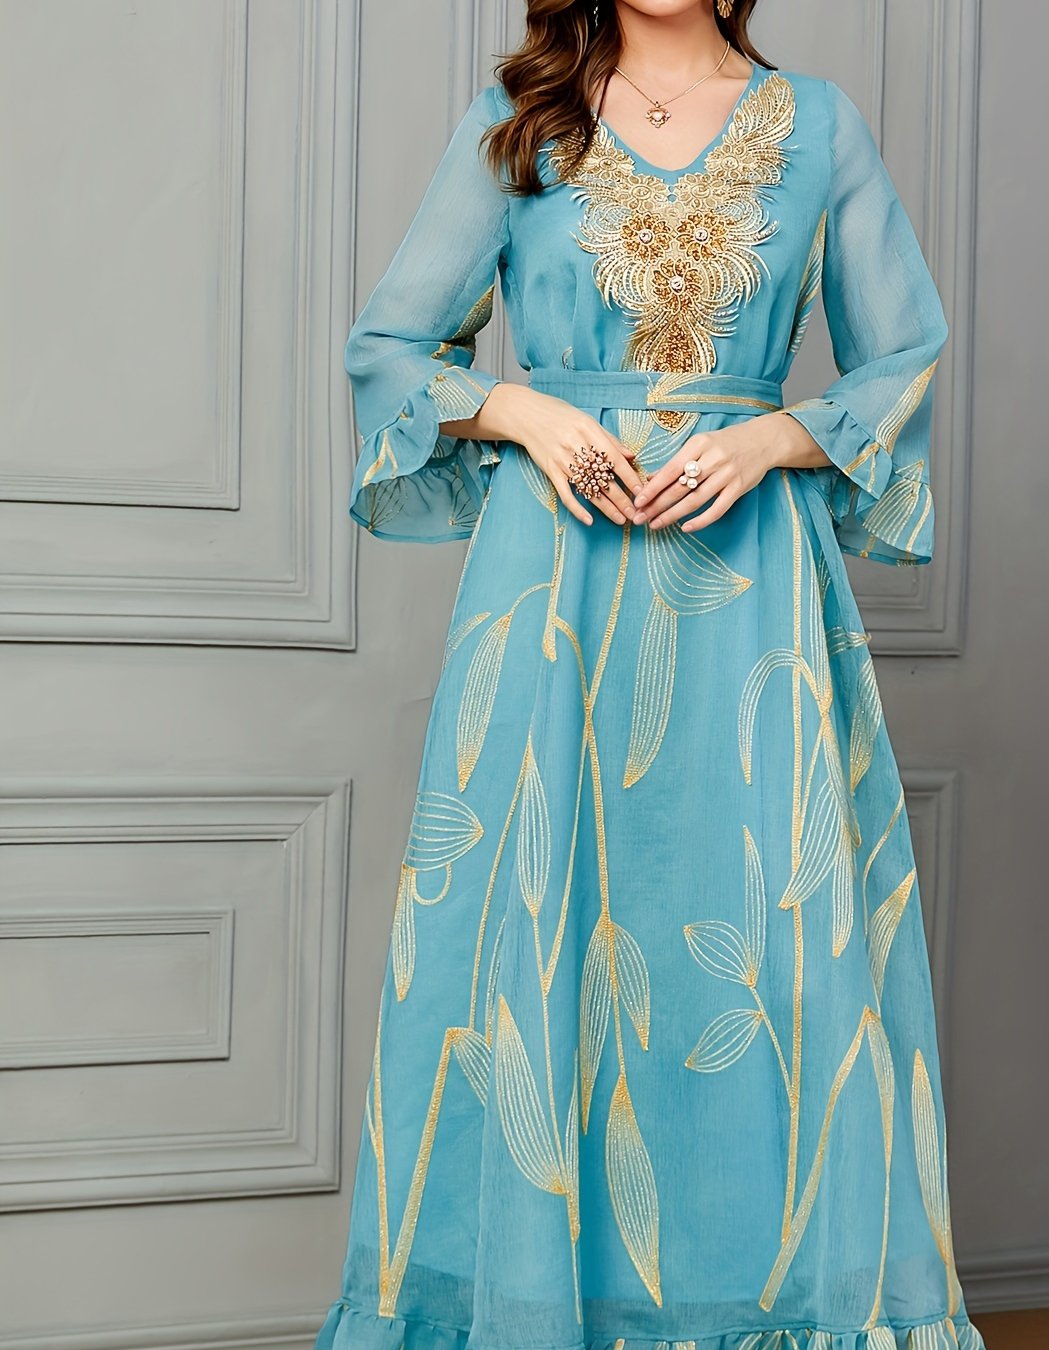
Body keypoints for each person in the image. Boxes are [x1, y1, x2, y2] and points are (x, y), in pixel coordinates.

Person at [316, 2, 986, 1348]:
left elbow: (905, 352)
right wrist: (524, 409)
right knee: (538, 926)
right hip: (554, 583)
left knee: (768, 940)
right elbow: (389, 345)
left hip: (753, 592)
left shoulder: (820, 130)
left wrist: (772, 438)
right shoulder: (523, 122)